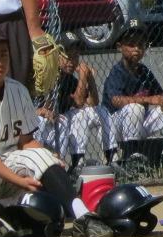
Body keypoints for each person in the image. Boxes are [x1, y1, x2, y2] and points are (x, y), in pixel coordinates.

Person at [0, 28, 114, 237]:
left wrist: (51, 160)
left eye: (3, 54)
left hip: (9, 162)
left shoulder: (18, 90)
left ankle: (83, 216)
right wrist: (19, 180)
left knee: (44, 155)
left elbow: (26, 142)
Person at [101, 26, 163, 168]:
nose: (136, 48)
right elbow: (116, 100)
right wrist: (148, 100)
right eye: (131, 44)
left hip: (139, 123)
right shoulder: (117, 72)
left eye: (141, 45)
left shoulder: (144, 71)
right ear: (119, 47)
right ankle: (131, 157)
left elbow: (160, 94)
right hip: (115, 126)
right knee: (135, 108)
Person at [35, 36, 110, 169]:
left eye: (75, 57)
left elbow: (91, 103)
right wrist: (82, 77)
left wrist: (89, 78)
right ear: (56, 56)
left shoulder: (69, 79)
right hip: (38, 124)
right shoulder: (47, 74)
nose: (71, 61)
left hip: (58, 123)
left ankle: (77, 164)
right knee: (51, 120)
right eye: (67, 56)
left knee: (84, 113)